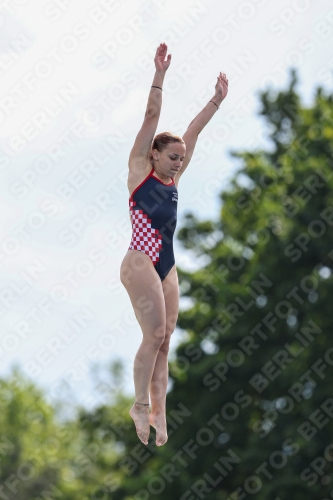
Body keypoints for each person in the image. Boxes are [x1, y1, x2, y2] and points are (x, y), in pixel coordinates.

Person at [120, 43, 228, 446]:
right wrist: (160, 75)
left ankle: (160, 414)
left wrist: (215, 101)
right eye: (172, 156)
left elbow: (194, 131)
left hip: (166, 262)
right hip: (138, 260)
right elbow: (151, 116)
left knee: (165, 339)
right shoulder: (138, 173)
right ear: (154, 154)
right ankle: (139, 404)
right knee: (151, 336)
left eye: (182, 158)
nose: (179, 161)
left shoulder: (173, 182)